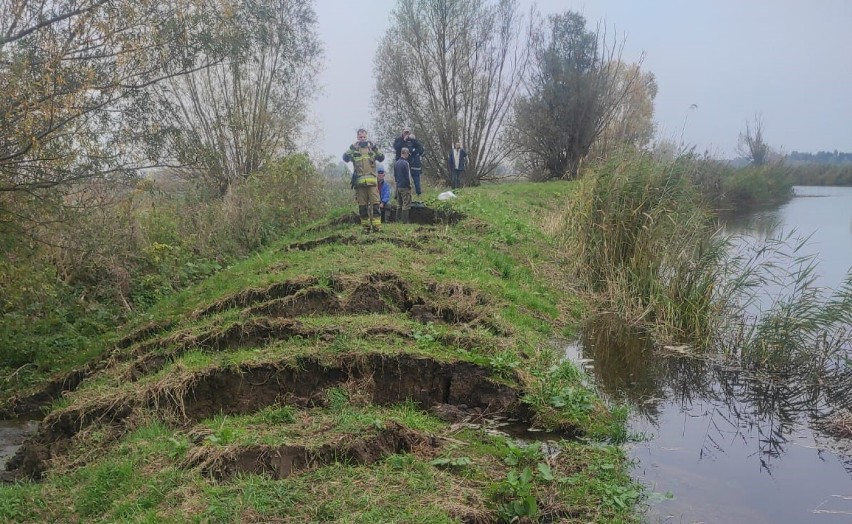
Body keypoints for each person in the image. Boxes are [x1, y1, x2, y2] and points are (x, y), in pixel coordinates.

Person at [343, 128, 385, 232]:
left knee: (375, 205)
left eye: (364, 137)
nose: (362, 139)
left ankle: (377, 227)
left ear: (367, 137)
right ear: (357, 137)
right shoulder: (354, 151)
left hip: (372, 183)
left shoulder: (371, 150)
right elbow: (345, 158)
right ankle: (366, 228)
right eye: (360, 137)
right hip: (359, 185)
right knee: (362, 208)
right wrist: (352, 147)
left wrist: (375, 147)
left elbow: (381, 158)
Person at [393, 127, 425, 196]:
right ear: (402, 132)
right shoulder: (398, 140)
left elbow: (421, 149)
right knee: (400, 180)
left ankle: (418, 194)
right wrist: (403, 141)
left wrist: (413, 152)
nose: (406, 134)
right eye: (405, 132)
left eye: (408, 132)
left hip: (412, 164)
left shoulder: (412, 141)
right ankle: (397, 195)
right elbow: (396, 148)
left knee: (416, 179)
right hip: (401, 164)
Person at [394, 147, 413, 223]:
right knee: (406, 204)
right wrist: (409, 185)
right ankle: (404, 221)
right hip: (405, 186)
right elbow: (407, 176)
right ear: (405, 153)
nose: (408, 155)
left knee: (399, 204)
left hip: (398, 186)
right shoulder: (406, 163)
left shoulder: (396, 163)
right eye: (408, 154)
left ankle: (397, 220)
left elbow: (395, 176)